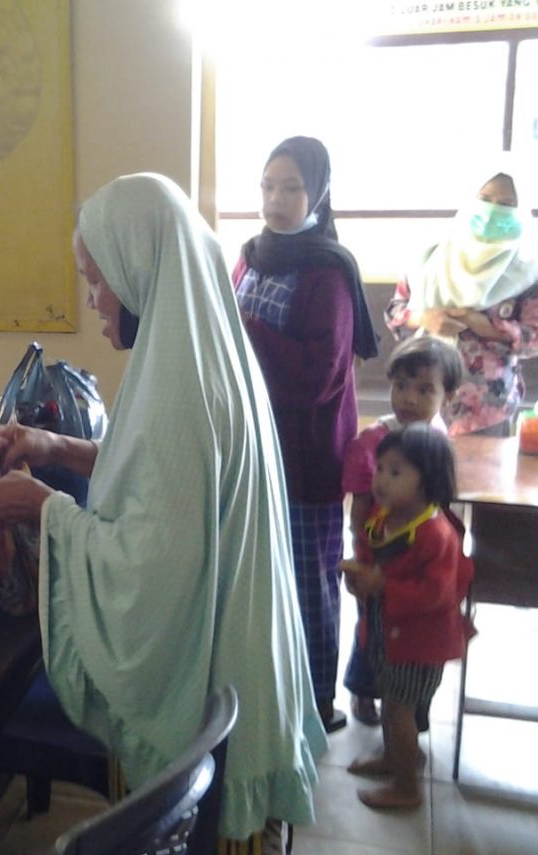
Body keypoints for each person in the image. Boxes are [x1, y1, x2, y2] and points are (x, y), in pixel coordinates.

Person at [0, 173, 326, 847]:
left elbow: (149, 570)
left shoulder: (178, 392)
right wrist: (59, 446)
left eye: (97, 279)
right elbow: (165, 482)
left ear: (138, 269)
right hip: (249, 664)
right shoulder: (199, 353)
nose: (92, 299)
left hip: (209, 692)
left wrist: (44, 507)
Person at [232, 136, 378, 734]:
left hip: (306, 457)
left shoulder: (328, 273)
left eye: (291, 188)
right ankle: (268, 690)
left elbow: (318, 379)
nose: (276, 200)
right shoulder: (248, 256)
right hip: (251, 450)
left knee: (310, 584)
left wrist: (247, 329)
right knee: (261, 580)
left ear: (316, 192)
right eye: (268, 186)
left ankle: (318, 701)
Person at [340, 424, 474, 809]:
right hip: (387, 634)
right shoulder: (385, 516)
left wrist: (379, 585)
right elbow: (370, 551)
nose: (381, 479)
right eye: (380, 467)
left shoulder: (436, 533)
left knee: (400, 710)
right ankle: (392, 758)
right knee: (389, 700)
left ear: (426, 479)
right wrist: (359, 578)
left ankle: (407, 788)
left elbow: (436, 594)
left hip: (419, 644)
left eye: (396, 472)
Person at [341, 336, 462, 726]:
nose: (409, 399)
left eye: (425, 389)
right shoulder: (375, 440)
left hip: (420, 553)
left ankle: (409, 711)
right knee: (372, 628)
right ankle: (365, 692)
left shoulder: (439, 439)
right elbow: (360, 503)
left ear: (448, 396)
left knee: (413, 633)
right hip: (380, 551)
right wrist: (364, 551)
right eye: (401, 386)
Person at [386, 166, 538, 437]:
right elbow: (395, 311)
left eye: (506, 205)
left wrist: (484, 325)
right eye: (485, 199)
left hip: (485, 408)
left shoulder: (529, 269)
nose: (493, 211)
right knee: (419, 477)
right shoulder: (431, 255)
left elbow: (534, 338)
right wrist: (425, 318)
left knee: (480, 479)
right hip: (418, 399)